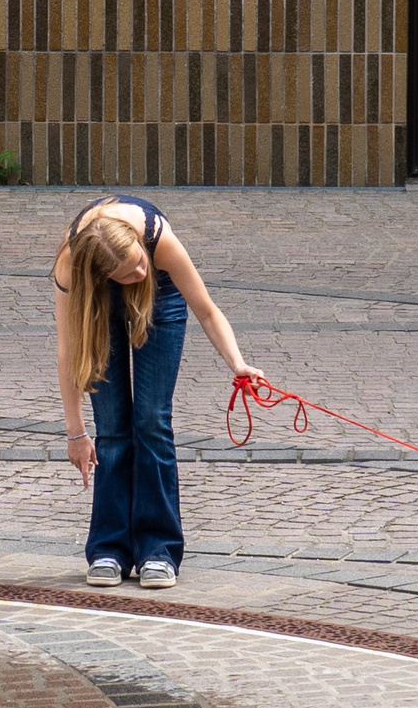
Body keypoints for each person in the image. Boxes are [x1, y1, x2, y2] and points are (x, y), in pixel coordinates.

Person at [52, 196, 262, 590]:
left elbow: (207, 310)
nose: (139, 271)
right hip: (98, 302)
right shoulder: (71, 264)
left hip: (162, 297)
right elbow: (69, 350)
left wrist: (238, 364)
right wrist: (75, 432)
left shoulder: (156, 239)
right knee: (112, 427)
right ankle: (109, 549)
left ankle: (158, 550)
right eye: (128, 272)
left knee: (151, 421)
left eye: (138, 261)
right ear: (104, 275)